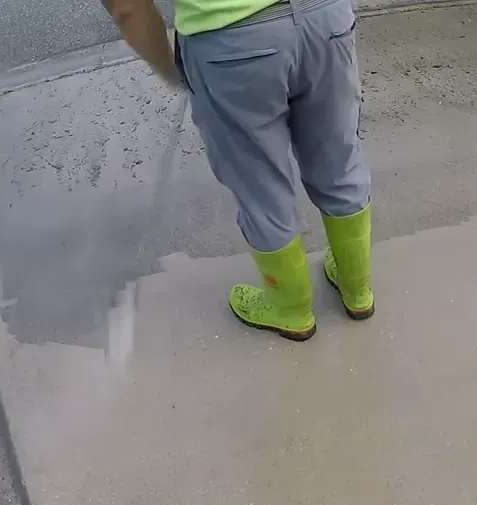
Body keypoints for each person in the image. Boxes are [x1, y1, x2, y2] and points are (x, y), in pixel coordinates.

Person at [102, 0, 374, 341]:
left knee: (259, 181)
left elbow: (127, 7)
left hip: (231, 43)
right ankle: (356, 287)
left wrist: (170, 69)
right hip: (327, 19)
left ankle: (290, 308)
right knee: (339, 157)